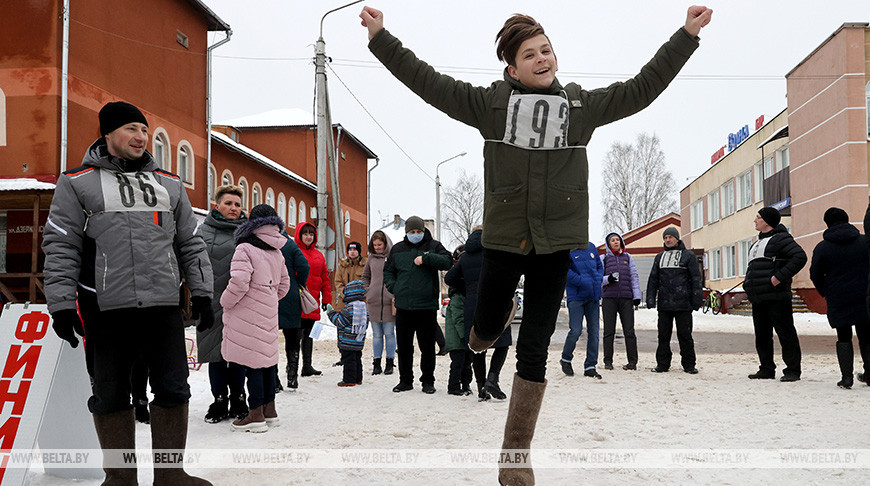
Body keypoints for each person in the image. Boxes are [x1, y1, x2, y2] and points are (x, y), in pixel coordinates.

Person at [360, 6, 711, 483]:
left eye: (546, 49)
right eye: (530, 54)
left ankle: (514, 458)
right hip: (504, 239)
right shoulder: (491, 106)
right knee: (484, 327)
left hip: (555, 245)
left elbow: (641, 89)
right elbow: (429, 83)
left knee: (534, 348)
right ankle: (488, 324)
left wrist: (686, 36)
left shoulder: (580, 110)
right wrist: (382, 39)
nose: (542, 58)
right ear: (512, 68)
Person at [43, 101, 215, 484]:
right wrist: (60, 304)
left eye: (144, 130)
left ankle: (172, 476)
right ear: (108, 133)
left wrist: (202, 293)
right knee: (109, 395)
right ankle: (119, 479)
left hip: (163, 308)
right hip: (105, 308)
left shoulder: (170, 184)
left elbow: (190, 243)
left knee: (173, 390)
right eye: (131, 129)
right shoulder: (77, 183)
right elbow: (60, 245)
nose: (140, 137)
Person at [221, 204, 291, 432]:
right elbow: (285, 285)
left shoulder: (245, 248)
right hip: (268, 312)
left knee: (252, 363)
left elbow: (240, 281)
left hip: (246, 313)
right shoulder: (277, 251)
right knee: (267, 362)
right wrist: (269, 298)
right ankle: (270, 411)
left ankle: (256, 415)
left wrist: (226, 301)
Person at [197, 184, 250, 423]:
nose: (233, 208)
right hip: (211, 302)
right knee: (214, 352)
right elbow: (193, 264)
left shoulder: (250, 233)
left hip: (241, 302)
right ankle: (219, 400)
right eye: (228, 203)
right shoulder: (203, 231)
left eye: (237, 204)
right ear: (216, 205)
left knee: (238, 353)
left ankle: (239, 398)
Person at [383, 216, 452, 394]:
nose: (415, 235)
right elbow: (388, 272)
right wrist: (394, 287)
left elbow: (447, 261)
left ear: (423, 231)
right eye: (412, 232)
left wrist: (427, 258)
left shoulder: (433, 246)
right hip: (404, 306)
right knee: (404, 347)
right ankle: (405, 380)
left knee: (427, 347)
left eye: (418, 231)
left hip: (426, 307)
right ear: (406, 232)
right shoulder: (397, 249)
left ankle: (428, 381)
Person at [445, 227, 512, 401]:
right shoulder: (494, 253)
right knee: (502, 342)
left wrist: (467, 287)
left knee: (477, 347)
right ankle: (493, 378)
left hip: (472, 305)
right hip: (496, 301)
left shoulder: (465, 257)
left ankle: (482, 388)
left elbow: (449, 279)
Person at [744, 206, 807, 382]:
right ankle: (766, 369)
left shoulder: (781, 238)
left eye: (757, 217)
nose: (755, 221)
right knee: (762, 335)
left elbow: (800, 257)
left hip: (777, 296)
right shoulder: (757, 242)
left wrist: (778, 277)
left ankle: (793, 370)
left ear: (767, 221)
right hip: (759, 297)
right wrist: (748, 285)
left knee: (785, 333)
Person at [810, 207, 870, 389]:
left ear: (827, 223)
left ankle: (846, 378)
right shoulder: (864, 242)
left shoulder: (822, 247)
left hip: (838, 297)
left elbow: (815, 274)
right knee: (866, 336)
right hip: (864, 295)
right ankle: (869, 374)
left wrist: (825, 291)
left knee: (843, 336)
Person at [646, 227, 702, 374]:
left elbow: (696, 279)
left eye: (670, 237)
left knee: (685, 335)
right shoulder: (659, 257)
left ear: (677, 238)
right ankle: (662, 364)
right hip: (664, 304)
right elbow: (653, 279)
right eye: (665, 238)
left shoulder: (688, 256)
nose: (668, 240)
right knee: (663, 335)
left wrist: (697, 299)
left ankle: (689, 365)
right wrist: (650, 299)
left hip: (684, 304)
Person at [561, 241, 604, 379]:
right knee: (576, 330)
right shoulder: (566, 249)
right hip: (576, 297)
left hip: (593, 296)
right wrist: (582, 281)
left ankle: (590, 366)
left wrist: (597, 280)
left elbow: (599, 265)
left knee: (594, 332)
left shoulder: (591, 247)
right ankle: (566, 359)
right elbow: (565, 270)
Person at [293, 222, 331, 378]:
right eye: (305, 234)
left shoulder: (319, 255)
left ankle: (307, 366)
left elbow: (325, 279)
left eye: (311, 234)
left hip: (313, 303)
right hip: (297, 302)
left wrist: (326, 300)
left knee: (309, 336)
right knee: (295, 337)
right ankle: (292, 367)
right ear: (300, 235)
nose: (308, 237)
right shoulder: (294, 252)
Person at [601, 232, 642, 370]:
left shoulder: (628, 257)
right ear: (608, 244)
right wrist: (608, 279)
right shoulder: (604, 259)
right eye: (612, 240)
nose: (616, 242)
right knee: (609, 331)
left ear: (621, 242)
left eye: (617, 239)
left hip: (626, 299)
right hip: (609, 299)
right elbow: (597, 279)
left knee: (629, 331)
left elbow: (634, 277)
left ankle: (632, 362)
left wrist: (636, 297)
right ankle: (608, 362)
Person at [277, 226, 311, 390]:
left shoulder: (262, 243)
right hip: (290, 295)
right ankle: (292, 376)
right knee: (292, 338)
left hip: (269, 295)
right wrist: (299, 282)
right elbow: (304, 266)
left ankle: (273, 379)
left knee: (268, 340)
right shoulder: (289, 244)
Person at [362, 231, 396, 375]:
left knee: (389, 333)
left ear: (385, 243)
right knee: (376, 335)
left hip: (390, 303)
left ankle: (390, 362)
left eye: (379, 244)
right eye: (375, 245)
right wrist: (367, 290)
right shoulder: (370, 259)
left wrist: (394, 292)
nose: (377, 247)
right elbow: (365, 276)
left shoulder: (393, 258)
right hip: (373, 302)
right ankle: (376, 363)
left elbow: (398, 276)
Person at [326, 280, 369, 386]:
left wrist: (331, 313)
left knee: (348, 361)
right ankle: (358, 378)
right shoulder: (364, 308)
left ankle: (349, 380)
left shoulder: (349, 308)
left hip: (347, 341)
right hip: (358, 340)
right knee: (357, 359)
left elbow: (339, 322)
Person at [443, 244, 473, 396]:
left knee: (468, 363)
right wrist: (465, 335)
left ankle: (466, 385)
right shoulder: (457, 297)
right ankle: (453, 386)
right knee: (458, 363)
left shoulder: (465, 295)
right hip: (458, 339)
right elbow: (458, 319)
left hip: (464, 338)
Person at [334, 241, 367, 311]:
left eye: (354, 250)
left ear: (359, 251)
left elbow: (369, 283)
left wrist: (361, 295)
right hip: (344, 301)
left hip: (361, 302)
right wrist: (345, 294)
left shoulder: (365, 266)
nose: (352, 252)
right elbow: (338, 282)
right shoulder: (342, 266)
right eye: (350, 250)